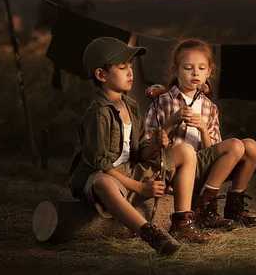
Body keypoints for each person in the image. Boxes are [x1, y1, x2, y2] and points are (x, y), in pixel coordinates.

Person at [67, 37, 217, 257]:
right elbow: (99, 165)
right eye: (122, 67)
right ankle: (150, 233)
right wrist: (139, 188)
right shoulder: (98, 113)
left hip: (130, 171)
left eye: (130, 66)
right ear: (101, 75)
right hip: (103, 177)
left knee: (185, 151)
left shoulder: (131, 106)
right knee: (104, 183)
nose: (130, 72)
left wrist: (155, 146)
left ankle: (181, 222)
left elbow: (138, 152)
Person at [144, 38, 256, 231]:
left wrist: (202, 128)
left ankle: (234, 208)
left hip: (203, 170)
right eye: (188, 68)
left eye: (201, 68)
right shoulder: (164, 101)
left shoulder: (210, 107)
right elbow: (149, 146)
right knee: (235, 144)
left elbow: (213, 151)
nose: (195, 73)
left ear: (209, 72)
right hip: (176, 168)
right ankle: (204, 209)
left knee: (250, 146)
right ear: (176, 71)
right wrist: (171, 122)